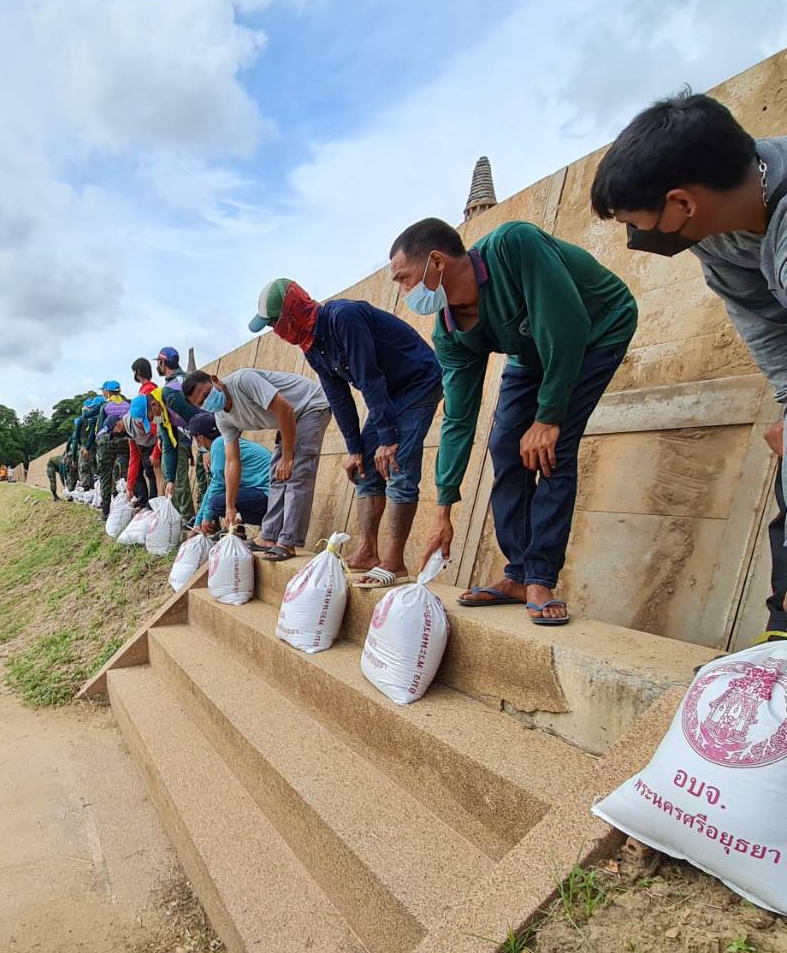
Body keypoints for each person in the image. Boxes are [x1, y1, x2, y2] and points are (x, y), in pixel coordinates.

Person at [592, 93, 787, 644]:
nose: (639, 237)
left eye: (638, 221)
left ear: (682, 203)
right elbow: (766, 327)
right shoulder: (719, 235)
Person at [390, 216, 637, 625]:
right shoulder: (449, 331)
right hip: (533, 351)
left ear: (436, 262)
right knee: (505, 445)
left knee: (551, 447)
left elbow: (567, 324)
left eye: (403, 278)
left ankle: (540, 577)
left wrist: (549, 416)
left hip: (596, 329)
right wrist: (443, 509)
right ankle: (519, 574)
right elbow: (458, 418)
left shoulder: (513, 245)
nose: (404, 293)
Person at [248, 278, 443, 587]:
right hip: (388, 392)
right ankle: (367, 551)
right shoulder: (312, 345)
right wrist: (354, 448)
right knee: (365, 466)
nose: (276, 331)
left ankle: (394, 561)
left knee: (398, 464)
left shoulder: (343, 318)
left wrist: (388, 438)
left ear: (291, 313)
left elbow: (369, 378)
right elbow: (338, 396)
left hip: (417, 383)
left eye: (275, 323)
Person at [180, 368, 332, 560]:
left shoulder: (243, 381)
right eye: (201, 403)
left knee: (296, 473)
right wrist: (229, 507)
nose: (207, 402)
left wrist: (287, 457)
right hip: (287, 418)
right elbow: (232, 461)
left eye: (207, 394)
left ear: (215, 380)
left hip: (310, 405)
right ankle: (268, 536)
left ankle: (288, 541)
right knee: (277, 477)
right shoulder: (222, 418)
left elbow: (285, 409)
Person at [187, 411, 272, 532]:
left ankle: (270, 522)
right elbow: (213, 486)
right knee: (223, 498)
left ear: (200, 438)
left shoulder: (218, 445)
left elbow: (217, 486)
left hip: (269, 494)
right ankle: (239, 529)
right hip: (269, 493)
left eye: (194, 438)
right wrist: (198, 522)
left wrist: (207, 517)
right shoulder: (225, 442)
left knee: (217, 503)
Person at [154, 347, 202, 525]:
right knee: (206, 478)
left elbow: (194, 417)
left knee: (187, 479)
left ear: (162, 362)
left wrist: (170, 478)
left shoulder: (168, 391)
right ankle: (203, 522)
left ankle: (192, 520)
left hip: (199, 437)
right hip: (207, 435)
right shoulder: (190, 378)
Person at [95, 382, 131, 518]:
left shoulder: (105, 406)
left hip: (107, 442)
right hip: (126, 441)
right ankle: (132, 504)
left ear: (108, 392)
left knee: (106, 475)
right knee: (130, 472)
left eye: (104, 391)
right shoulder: (128, 404)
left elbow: (101, 428)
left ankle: (105, 512)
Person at [78, 395, 104, 490]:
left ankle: (94, 489)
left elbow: (91, 433)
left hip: (98, 445)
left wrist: (86, 447)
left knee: (91, 467)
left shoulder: (90, 418)